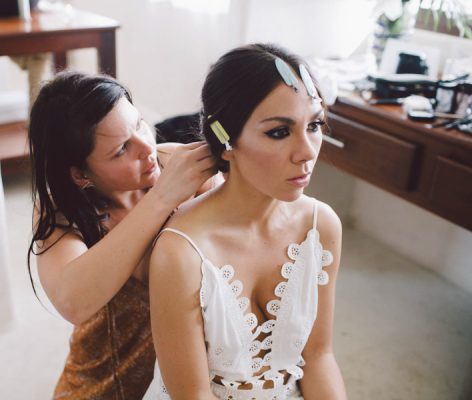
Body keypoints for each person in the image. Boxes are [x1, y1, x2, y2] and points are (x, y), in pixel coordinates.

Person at [143, 43, 348, 399]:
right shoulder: (180, 253)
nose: (308, 151)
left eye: (314, 124)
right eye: (279, 132)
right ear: (225, 141)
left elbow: (317, 356)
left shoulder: (322, 226)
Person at [27, 71, 218, 399]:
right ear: (79, 174)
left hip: (194, 381)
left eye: (140, 123)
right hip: (106, 383)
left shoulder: (179, 165)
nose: (147, 147)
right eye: (120, 150)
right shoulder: (61, 212)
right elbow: (73, 302)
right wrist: (161, 199)